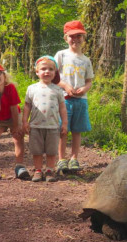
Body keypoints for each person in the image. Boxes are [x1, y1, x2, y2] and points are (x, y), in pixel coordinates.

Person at [54, 20, 94, 174]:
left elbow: (89, 81)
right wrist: (65, 86)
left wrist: (84, 89)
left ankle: (74, 158)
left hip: (81, 101)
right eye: (72, 36)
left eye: (79, 36)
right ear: (66, 38)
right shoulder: (61, 55)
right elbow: (53, 76)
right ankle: (61, 159)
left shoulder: (86, 60)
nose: (75, 39)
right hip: (64, 100)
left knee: (77, 131)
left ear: (84, 38)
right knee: (63, 130)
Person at [22, 56, 68, 182]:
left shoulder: (58, 90)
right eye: (43, 69)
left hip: (53, 126)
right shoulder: (32, 88)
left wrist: (64, 123)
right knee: (36, 151)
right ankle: (37, 170)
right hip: (35, 126)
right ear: (37, 72)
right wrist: (25, 121)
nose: (47, 72)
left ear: (55, 73)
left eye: (51, 69)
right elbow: (27, 106)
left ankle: (49, 170)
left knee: (51, 151)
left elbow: (63, 109)